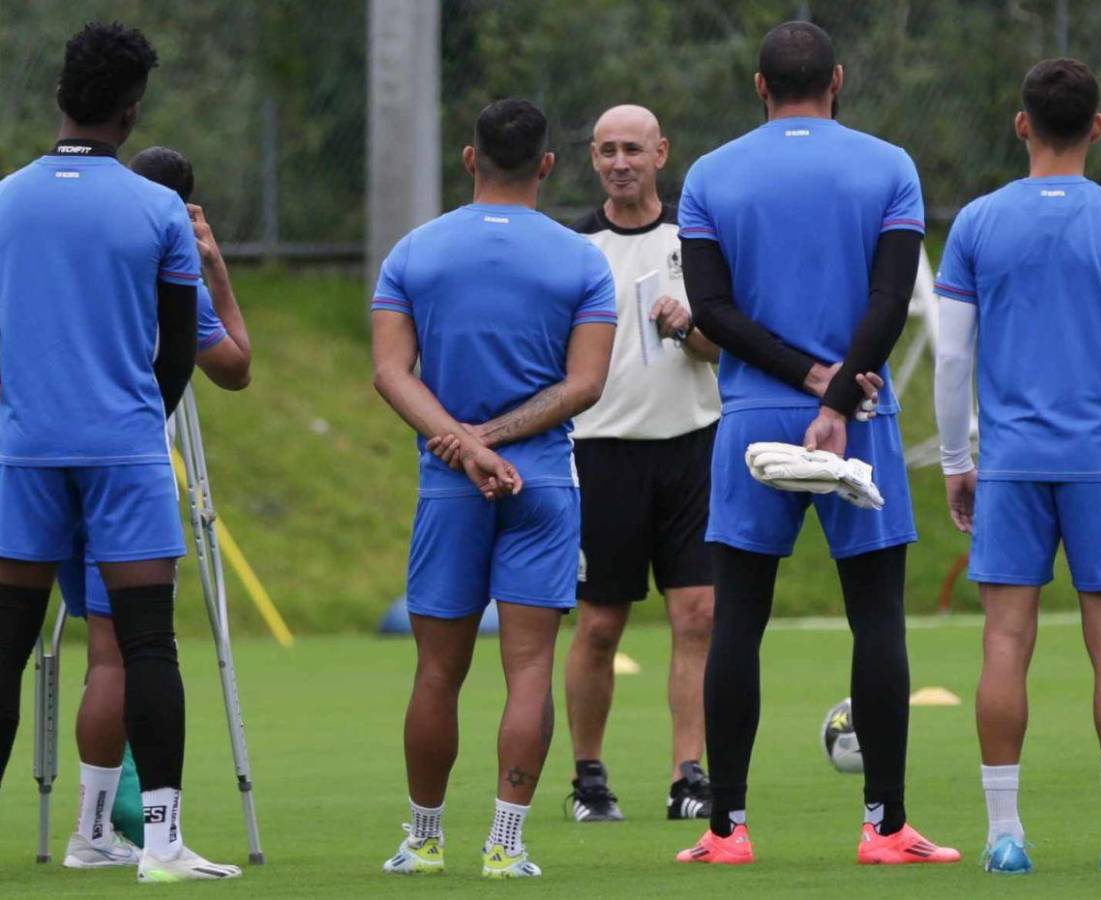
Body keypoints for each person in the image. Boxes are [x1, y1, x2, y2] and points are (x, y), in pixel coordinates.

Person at [673, 21, 960, 866]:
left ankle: (726, 830)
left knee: (738, 624)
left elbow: (712, 311)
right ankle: (886, 827)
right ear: (836, 80)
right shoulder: (888, 164)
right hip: (862, 408)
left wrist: (801, 381)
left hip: (755, 415)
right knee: (877, 619)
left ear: (759, 87)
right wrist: (837, 390)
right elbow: (891, 295)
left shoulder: (711, 173)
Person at [0, 22, 240, 881]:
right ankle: (162, 845)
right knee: (145, 645)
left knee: (7, 642)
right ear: (132, 110)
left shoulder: (4, 199)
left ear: (62, 94)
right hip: (125, 453)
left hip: (22, 454)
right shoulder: (158, 209)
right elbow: (179, 348)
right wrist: (139, 421)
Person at [934, 58, 1101, 875]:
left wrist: (957, 460)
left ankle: (1006, 837)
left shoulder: (975, 223)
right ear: (1098, 127)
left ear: (1022, 124)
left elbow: (951, 360)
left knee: (1005, 642)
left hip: (1010, 467)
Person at [371, 98, 616, 878]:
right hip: (541, 482)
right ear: (547, 166)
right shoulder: (582, 259)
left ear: (470, 159)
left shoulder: (415, 250)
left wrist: (463, 445)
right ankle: (506, 847)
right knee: (530, 670)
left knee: (437, 671)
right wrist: (499, 442)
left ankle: (423, 839)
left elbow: (388, 372)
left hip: (450, 489)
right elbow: (586, 384)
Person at [56, 145, 252, 868]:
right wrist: (216, 272)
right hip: (121, 467)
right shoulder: (163, 260)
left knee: (66, 651)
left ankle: (94, 829)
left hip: (41, 458)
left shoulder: (67, 250)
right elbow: (234, 366)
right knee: (120, 653)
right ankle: (104, 834)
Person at [564, 104, 721, 823]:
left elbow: (731, 345)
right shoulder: (573, 249)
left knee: (698, 613)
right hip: (602, 451)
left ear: (661, 152)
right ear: (592, 160)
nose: (620, 162)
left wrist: (689, 328)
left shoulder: (698, 236)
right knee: (600, 624)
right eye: (606, 151)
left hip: (693, 444)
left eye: (633, 149)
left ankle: (689, 774)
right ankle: (588, 778)